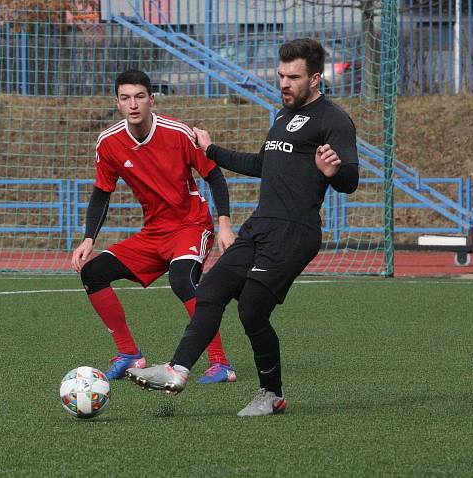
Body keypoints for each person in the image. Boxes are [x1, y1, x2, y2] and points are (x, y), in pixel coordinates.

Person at [126, 38, 359, 416]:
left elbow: (350, 179)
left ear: (315, 79)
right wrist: (211, 150)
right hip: (261, 224)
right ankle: (177, 369)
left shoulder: (334, 120)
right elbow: (261, 164)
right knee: (212, 288)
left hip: (295, 232)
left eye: (293, 77)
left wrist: (335, 172)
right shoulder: (282, 116)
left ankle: (272, 394)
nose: (283, 83)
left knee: (251, 309)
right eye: (281, 75)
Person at [72, 69, 238, 384]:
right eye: (125, 98)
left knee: (182, 280)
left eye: (139, 96)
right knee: (93, 272)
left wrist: (225, 224)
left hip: (191, 226)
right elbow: (101, 193)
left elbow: (214, 176)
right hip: (153, 234)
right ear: (117, 103)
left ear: (151, 99)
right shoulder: (108, 143)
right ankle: (129, 354)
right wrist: (88, 239)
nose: (133, 104)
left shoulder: (178, 133)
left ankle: (221, 363)